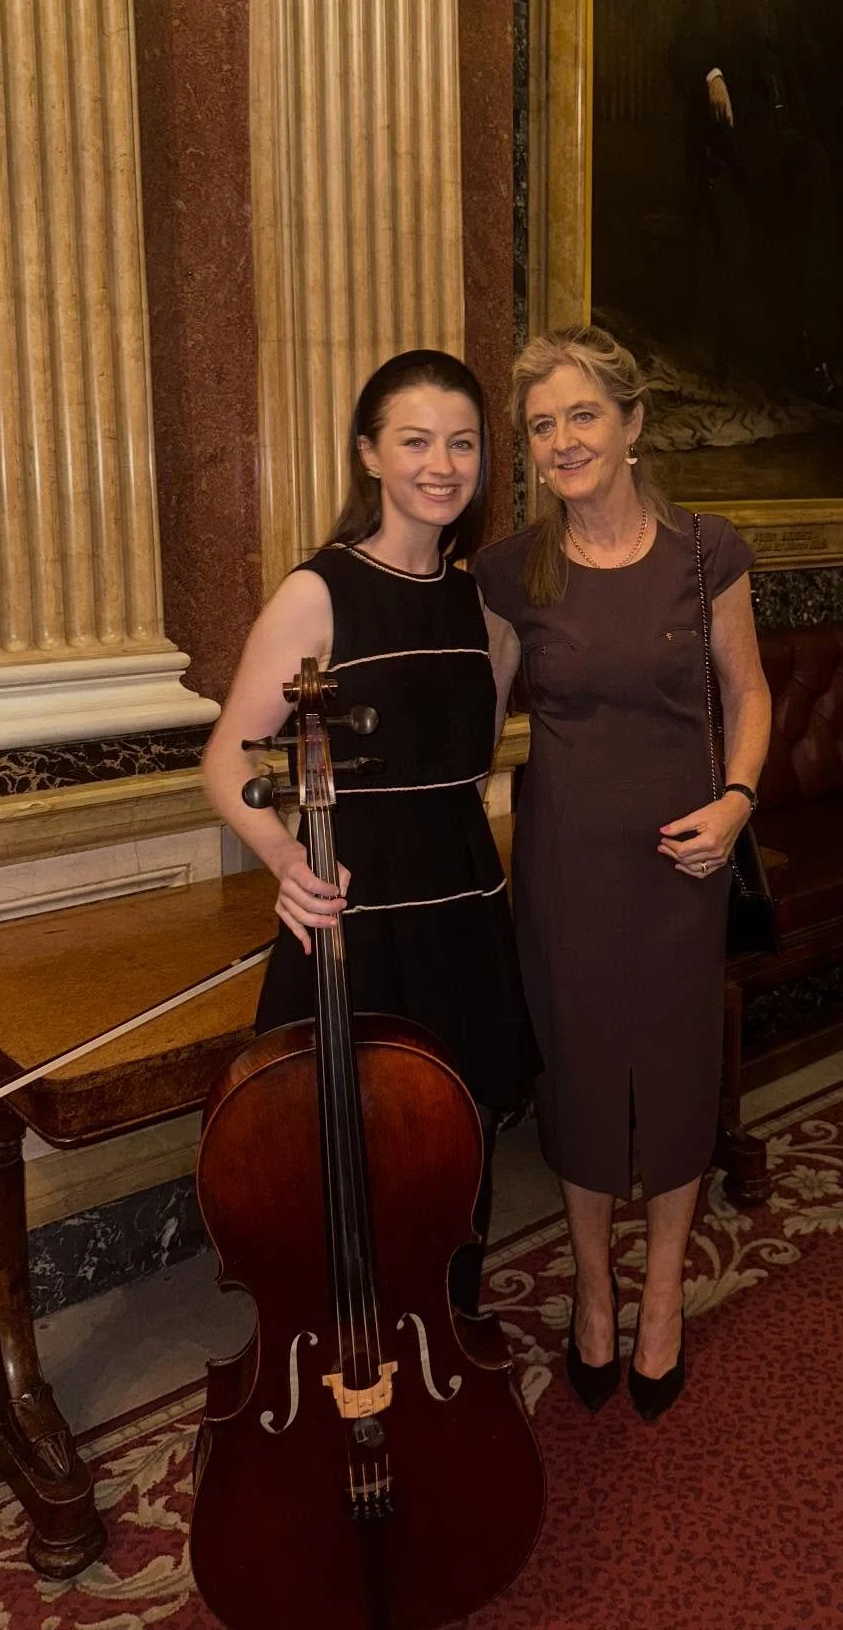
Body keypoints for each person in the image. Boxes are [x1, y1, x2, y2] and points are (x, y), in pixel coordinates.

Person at [473, 323, 772, 1419]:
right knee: (587, 1080)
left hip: (684, 872)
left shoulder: (707, 553)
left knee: (681, 1078)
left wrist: (737, 802)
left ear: (634, 424)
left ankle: (660, 1305)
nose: (562, 441)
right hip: (564, 875)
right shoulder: (511, 570)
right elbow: (474, 719)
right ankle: (595, 1296)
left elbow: (748, 692)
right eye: (542, 425)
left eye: (582, 415)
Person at [202, 350, 539, 1315]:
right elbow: (229, 759)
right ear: (370, 455)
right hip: (358, 916)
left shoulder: (483, 607)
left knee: (459, 1152)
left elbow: (468, 768)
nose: (443, 464)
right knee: (350, 1166)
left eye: (463, 443)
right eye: (416, 440)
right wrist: (282, 859)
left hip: (466, 909)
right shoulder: (320, 593)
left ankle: (451, 1342)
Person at [674, 0, 843, 397]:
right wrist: (712, 75)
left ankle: (817, 353)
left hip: (789, 136)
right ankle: (775, 355)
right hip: (736, 140)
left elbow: (812, 59)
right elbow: (684, 48)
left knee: (822, 189)